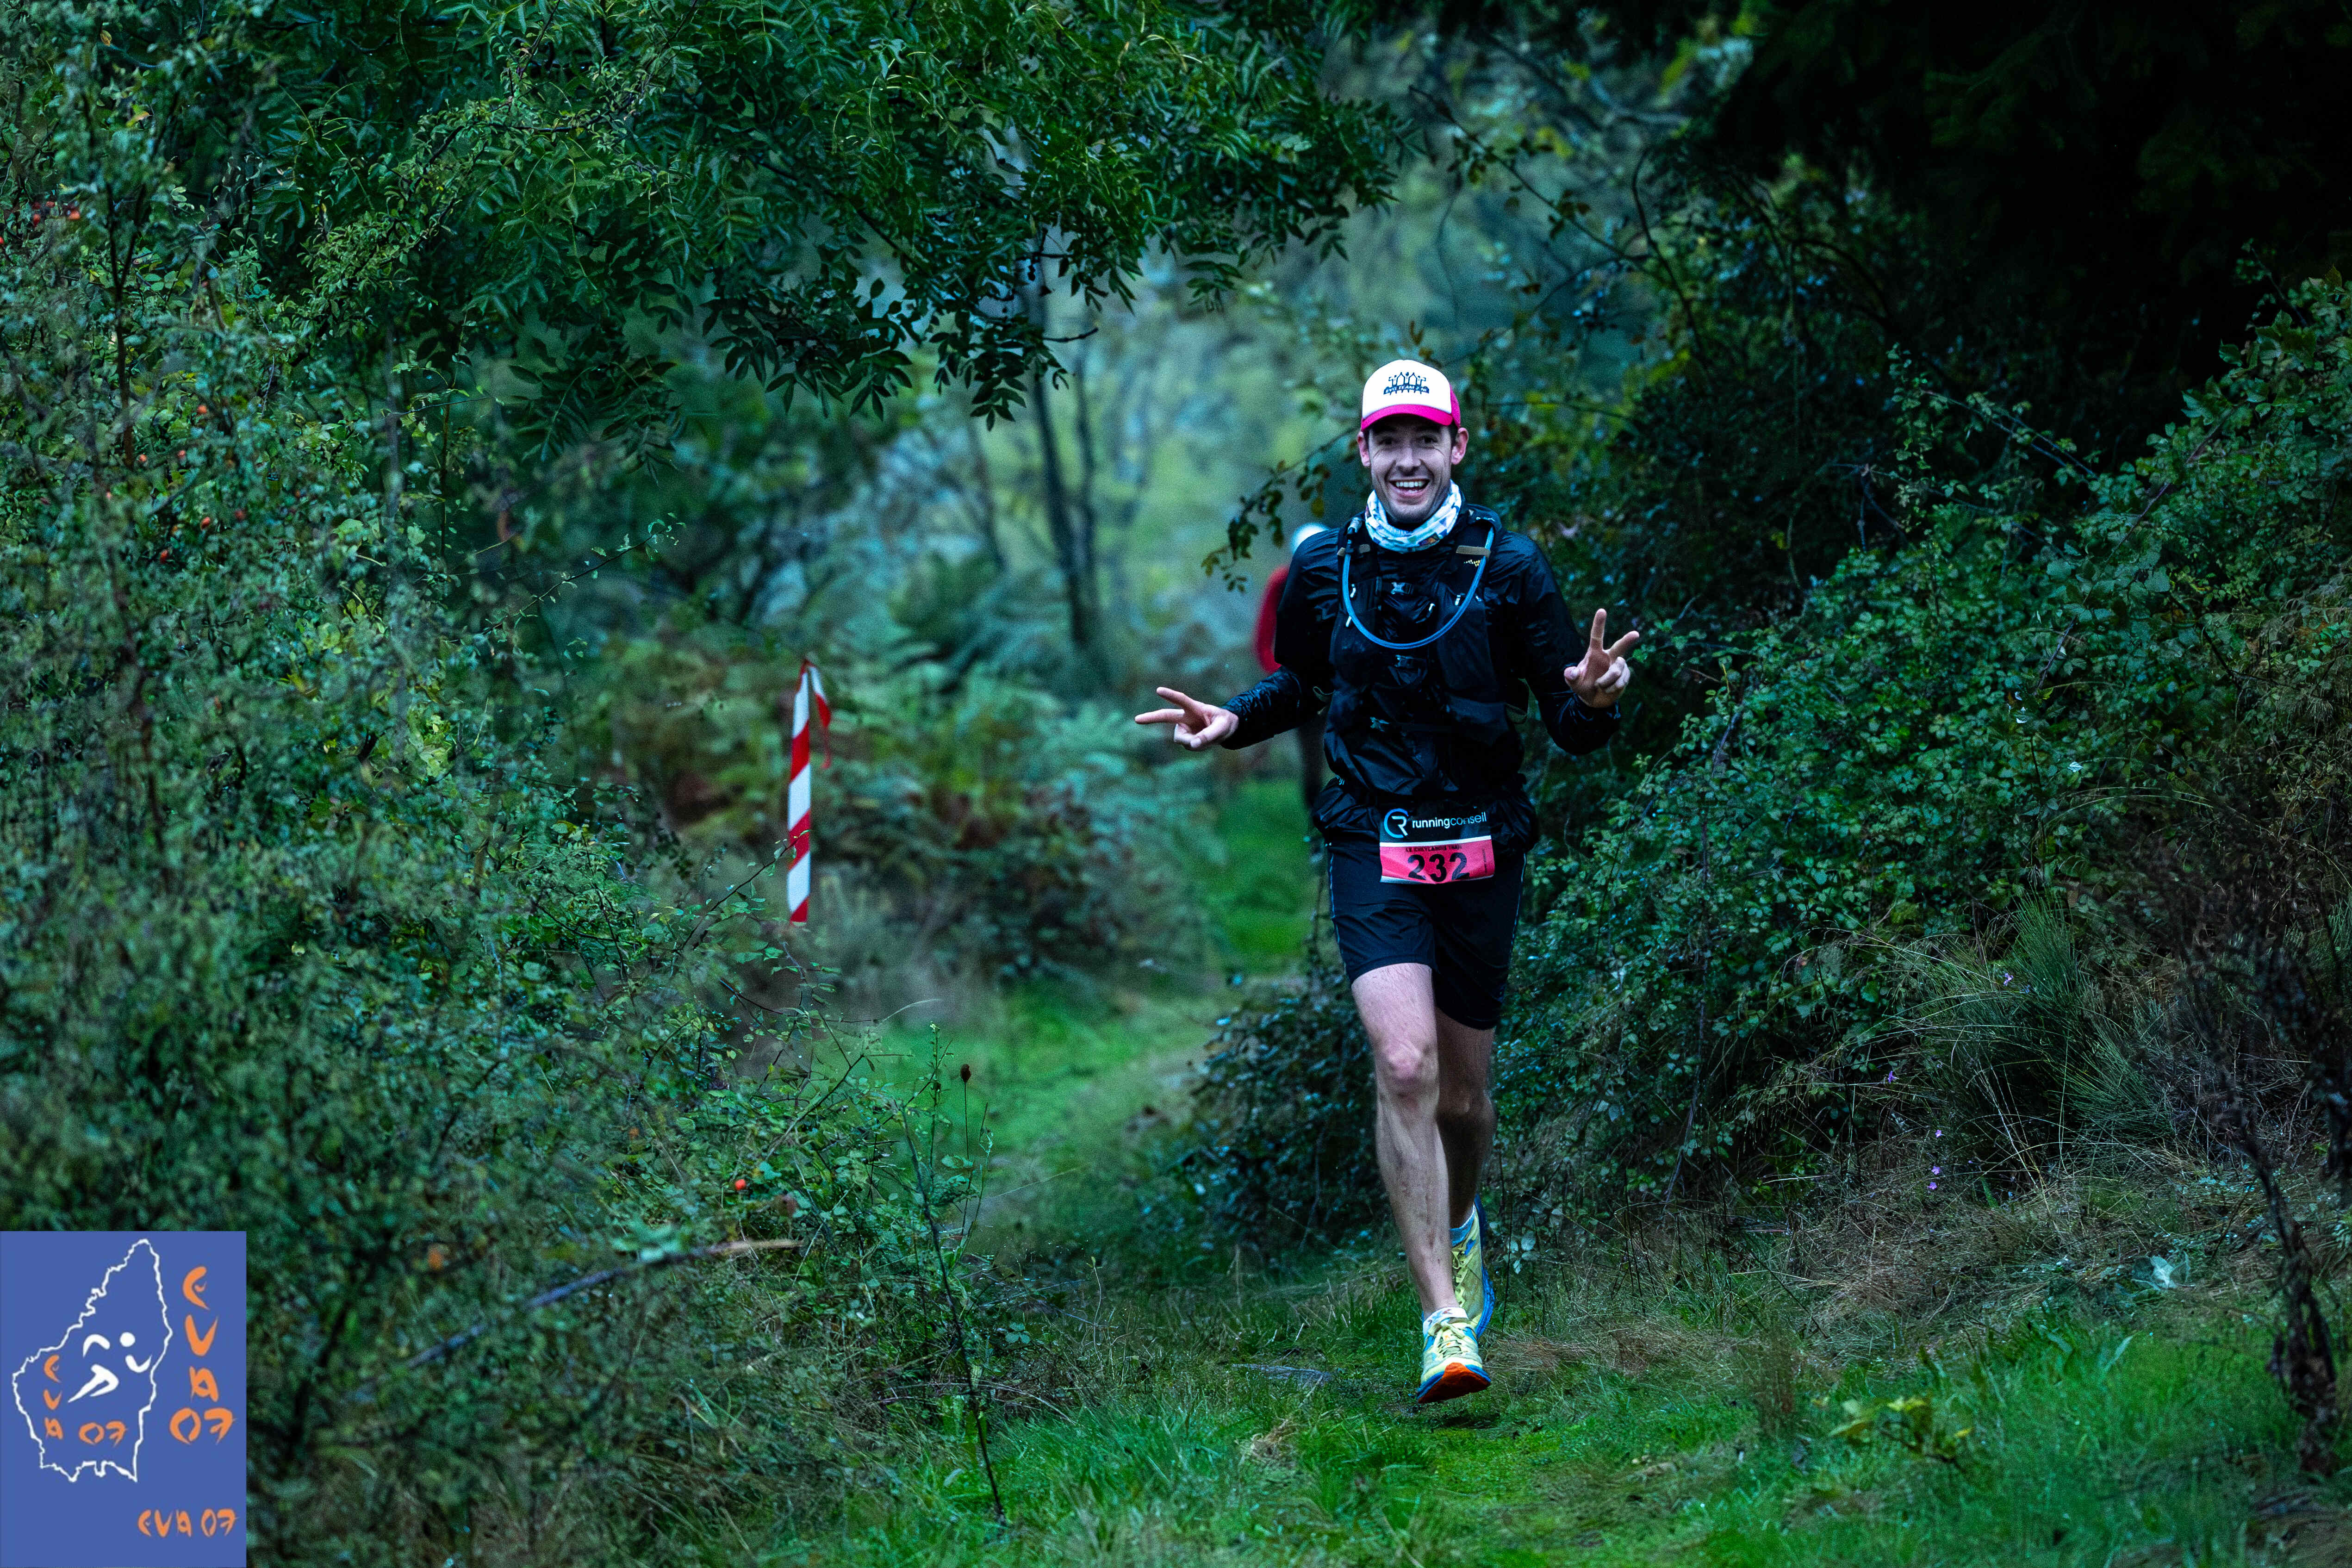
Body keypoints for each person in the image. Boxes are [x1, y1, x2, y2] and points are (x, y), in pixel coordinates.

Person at [1135, 358, 1636, 1404]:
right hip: (1372, 836)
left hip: (1480, 839)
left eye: (1425, 439)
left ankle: (1459, 1219)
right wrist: (1234, 718)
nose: (1408, 458)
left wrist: (1592, 699)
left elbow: (1567, 721)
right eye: (1388, 440)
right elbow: (1302, 683)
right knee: (1404, 1064)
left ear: (1456, 446)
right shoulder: (1325, 567)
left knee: (1465, 1098)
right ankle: (1443, 1322)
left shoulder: (1510, 564)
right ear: (1363, 451)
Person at [1254, 523, 1329, 818]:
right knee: (1312, 755)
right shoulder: (1282, 582)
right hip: (1305, 683)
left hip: (1346, 680)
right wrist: (1283, 676)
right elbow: (1263, 639)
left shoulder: (1345, 577)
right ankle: (1316, 820)